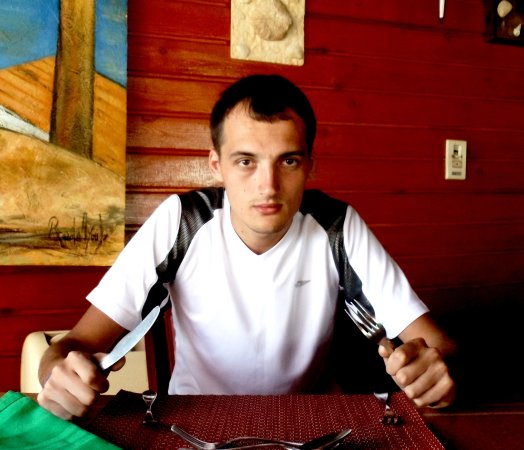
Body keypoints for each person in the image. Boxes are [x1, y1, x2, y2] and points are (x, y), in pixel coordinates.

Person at [37, 74, 457, 420]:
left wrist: (436, 375)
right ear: (216, 165)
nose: (268, 186)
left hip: (312, 424)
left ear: (309, 166)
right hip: (195, 423)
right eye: (246, 161)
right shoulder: (182, 221)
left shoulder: (337, 226)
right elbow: (70, 347)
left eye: (288, 161)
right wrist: (59, 374)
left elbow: (440, 347)